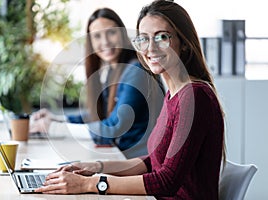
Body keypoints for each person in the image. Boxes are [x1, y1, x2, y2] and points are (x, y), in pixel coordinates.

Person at [35, 1, 226, 199]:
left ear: (184, 43)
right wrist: (94, 167)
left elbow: (166, 181)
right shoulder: (173, 94)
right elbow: (152, 162)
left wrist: (90, 184)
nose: (151, 48)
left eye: (162, 37)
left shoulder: (194, 96)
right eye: (144, 39)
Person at [30, 8, 165, 158]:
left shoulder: (135, 70)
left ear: (122, 33)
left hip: (140, 162)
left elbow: (115, 127)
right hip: (124, 157)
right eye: (97, 36)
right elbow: (100, 115)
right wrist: (57, 118)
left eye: (111, 32)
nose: (105, 42)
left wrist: (55, 128)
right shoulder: (112, 72)